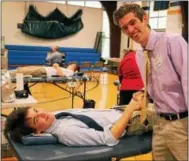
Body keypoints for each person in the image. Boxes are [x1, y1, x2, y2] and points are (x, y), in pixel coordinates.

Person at [113, 3, 187, 161]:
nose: (130, 30)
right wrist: (143, 93)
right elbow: (156, 84)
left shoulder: (172, 42)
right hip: (159, 124)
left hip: (181, 124)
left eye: (133, 23)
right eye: (125, 28)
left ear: (144, 18)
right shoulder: (140, 54)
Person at [4, 92, 144, 146]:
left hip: (119, 110)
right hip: (132, 121)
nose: (41, 114)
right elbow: (110, 138)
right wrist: (130, 109)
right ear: (38, 133)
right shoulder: (66, 133)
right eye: (36, 120)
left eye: (36, 110)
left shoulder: (54, 117)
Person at [9, 63, 79, 78]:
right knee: (26, 68)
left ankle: (7, 74)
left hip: (44, 72)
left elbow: (61, 75)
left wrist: (57, 66)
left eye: (71, 64)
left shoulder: (70, 72)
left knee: (23, 71)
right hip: (44, 69)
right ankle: (8, 73)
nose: (69, 65)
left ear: (74, 66)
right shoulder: (67, 70)